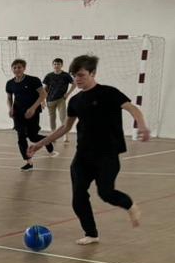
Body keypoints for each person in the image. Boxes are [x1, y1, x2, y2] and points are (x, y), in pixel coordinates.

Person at [27, 54, 148, 245]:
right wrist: (40, 143)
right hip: (83, 155)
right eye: (74, 75)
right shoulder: (75, 101)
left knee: (106, 193)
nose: (77, 79)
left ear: (93, 73)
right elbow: (65, 127)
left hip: (107, 154)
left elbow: (132, 108)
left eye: (81, 75)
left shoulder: (109, 93)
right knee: (78, 198)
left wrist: (141, 125)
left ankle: (130, 206)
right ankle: (91, 233)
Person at [5, 58, 53, 170]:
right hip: (18, 113)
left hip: (33, 112)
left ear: (24, 68)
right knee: (21, 136)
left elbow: (43, 95)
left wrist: (32, 108)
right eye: (14, 67)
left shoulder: (33, 80)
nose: (17, 69)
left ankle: (47, 141)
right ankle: (28, 161)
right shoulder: (10, 83)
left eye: (19, 67)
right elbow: (9, 97)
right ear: (12, 69)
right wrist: (10, 108)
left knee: (33, 137)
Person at [43, 58, 73, 131]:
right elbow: (45, 89)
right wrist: (42, 100)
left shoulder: (66, 75)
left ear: (61, 65)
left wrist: (68, 93)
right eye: (55, 64)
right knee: (52, 118)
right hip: (50, 100)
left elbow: (74, 83)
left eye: (58, 64)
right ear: (53, 65)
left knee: (63, 117)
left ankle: (65, 134)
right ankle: (53, 133)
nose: (56, 65)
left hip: (61, 99)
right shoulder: (49, 75)